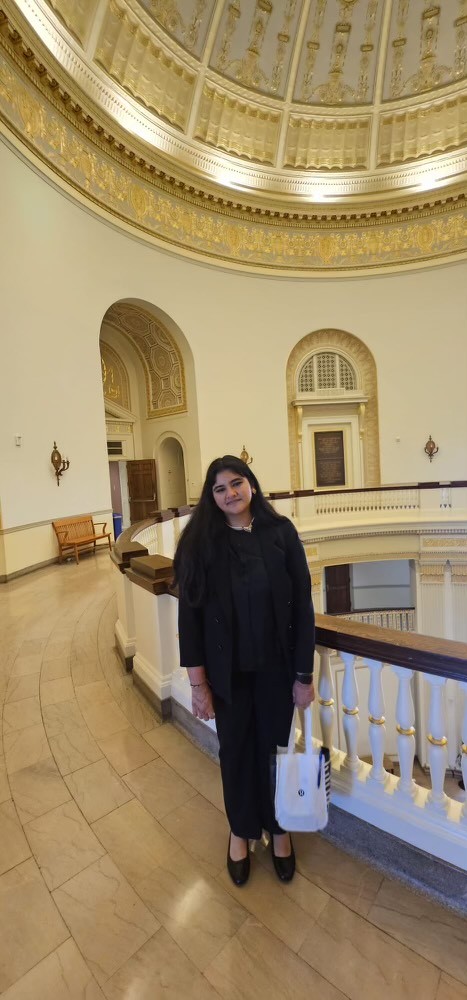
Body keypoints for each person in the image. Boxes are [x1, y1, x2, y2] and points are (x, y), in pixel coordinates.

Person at [173, 456, 315, 886]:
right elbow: (190, 621)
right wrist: (199, 686)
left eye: (237, 483)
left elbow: (304, 606)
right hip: (228, 676)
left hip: (276, 670)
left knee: (273, 751)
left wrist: (303, 675)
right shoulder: (201, 544)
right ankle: (240, 830)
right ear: (211, 498)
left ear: (251, 484)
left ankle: (279, 828)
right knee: (235, 754)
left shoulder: (281, 534)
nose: (230, 493)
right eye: (220, 489)